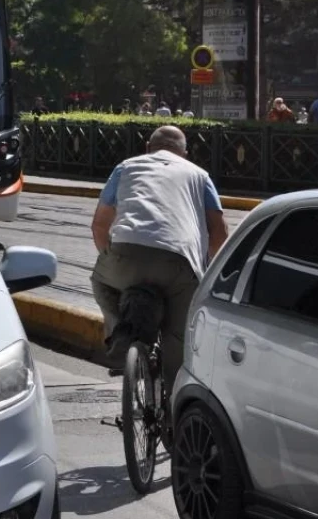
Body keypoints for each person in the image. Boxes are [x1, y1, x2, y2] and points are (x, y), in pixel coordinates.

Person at [89, 126, 228, 389]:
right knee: (178, 338)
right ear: (185, 153)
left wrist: (113, 259)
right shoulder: (200, 175)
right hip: (180, 263)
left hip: (126, 253)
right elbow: (219, 232)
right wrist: (206, 273)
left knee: (101, 282)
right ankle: (172, 404)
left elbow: (99, 226)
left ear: (147, 146)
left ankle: (121, 334)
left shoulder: (126, 167)